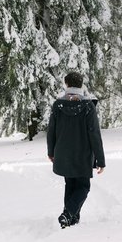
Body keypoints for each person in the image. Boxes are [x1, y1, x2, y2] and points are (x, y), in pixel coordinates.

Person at [47, 71, 105, 228]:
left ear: (66, 84)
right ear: (81, 85)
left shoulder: (58, 105)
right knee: (83, 186)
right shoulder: (88, 106)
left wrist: (51, 152)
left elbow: (51, 130)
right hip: (83, 155)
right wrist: (100, 159)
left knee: (70, 185)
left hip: (63, 153)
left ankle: (71, 218)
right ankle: (68, 214)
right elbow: (94, 134)